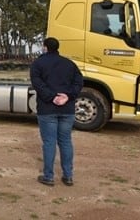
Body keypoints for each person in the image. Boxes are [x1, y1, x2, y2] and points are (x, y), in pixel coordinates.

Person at [30, 37, 83, 187]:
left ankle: (49, 176)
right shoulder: (69, 64)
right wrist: (68, 96)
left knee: (49, 142)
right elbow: (79, 82)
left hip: (47, 109)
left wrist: (51, 97)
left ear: (45, 47)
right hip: (67, 109)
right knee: (65, 141)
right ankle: (68, 176)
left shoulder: (38, 64)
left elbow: (37, 84)